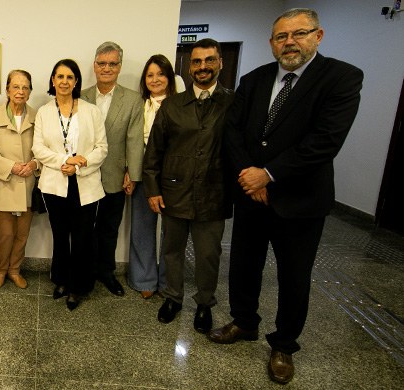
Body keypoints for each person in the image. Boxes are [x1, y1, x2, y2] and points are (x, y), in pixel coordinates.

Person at [210, 8, 363, 384]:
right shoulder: (254, 79)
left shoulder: (340, 78)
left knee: (294, 276)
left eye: (298, 33)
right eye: (281, 36)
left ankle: (284, 344)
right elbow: (234, 132)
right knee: (244, 264)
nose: (289, 42)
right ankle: (244, 322)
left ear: (318, 35)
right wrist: (250, 176)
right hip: (251, 195)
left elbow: (324, 141)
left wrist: (269, 175)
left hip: (300, 200)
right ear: (271, 42)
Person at [143, 38, 233, 334]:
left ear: (220, 62)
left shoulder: (232, 103)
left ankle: (205, 303)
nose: (203, 66)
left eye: (209, 60)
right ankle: (173, 298)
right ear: (189, 66)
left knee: (208, 254)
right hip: (174, 192)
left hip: (213, 193)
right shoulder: (172, 105)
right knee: (172, 250)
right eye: (196, 61)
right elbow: (153, 151)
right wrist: (153, 189)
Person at [32, 59, 107, 311]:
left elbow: (101, 148)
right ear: (53, 80)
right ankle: (61, 280)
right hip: (54, 184)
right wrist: (65, 160)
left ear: (76, 82)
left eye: (69, 77)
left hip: (85, 184)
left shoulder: (91, 110)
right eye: (59, 76)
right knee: (60, 235)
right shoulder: (43, 111)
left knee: (83, 238)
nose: (64, 81)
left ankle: (78, 287)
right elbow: (38, 149)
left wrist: (79, 164)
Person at [80, 41, 143, 297]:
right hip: (83, 176)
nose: (107, 68)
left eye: (112, 64)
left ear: (119, 67)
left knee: (108, 228)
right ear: (94, 66)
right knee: (84, 229)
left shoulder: (132, 99)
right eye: (102, 63)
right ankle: (84, 272)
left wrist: (133, 173)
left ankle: (105, 272)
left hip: (115, 176)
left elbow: (134, 139)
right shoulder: (81, 96)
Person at [127, 54, 178, 298]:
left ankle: (168, 283)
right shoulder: (139, 105)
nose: (155, 79)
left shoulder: (180, 105)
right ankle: (144, 280)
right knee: (142, 229)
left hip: (173, 177)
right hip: (142, 173)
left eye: (160, 74)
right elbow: (131, 142)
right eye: (150, 75)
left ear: (169, 77)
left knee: (172, 232)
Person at [0, 69, 38, 289]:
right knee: (5, 234)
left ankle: (15, 270)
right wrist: (11, 166)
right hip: (4, 184)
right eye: (16, 86)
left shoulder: (38, 117)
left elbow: (46, 148)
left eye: (25, 87)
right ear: (7, 89)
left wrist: (34, 164)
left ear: (30, 91)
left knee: (22, 234)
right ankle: (1, 270)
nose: (20, 91)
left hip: (29, 184)